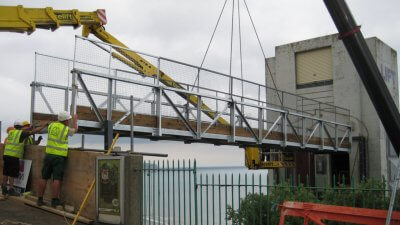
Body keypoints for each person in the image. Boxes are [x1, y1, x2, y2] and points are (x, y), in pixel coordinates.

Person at [37, 111, 78, 208]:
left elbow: (48, 124)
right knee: (57, 179)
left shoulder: (51, 126)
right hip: (59, 157)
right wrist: (75, 121)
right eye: (68, 119)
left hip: (48, 155)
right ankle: (54, 201)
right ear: (65, 121)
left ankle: (39, 199)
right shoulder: (65, 129)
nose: (69, 121)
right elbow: (75, 130)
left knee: (44, 177)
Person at [2, 121, 47, 196]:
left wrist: (31, 127)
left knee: (6, 172)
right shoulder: (21, 134)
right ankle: (11, 189)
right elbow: (33, 132)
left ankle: (4, 188)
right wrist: (43, 127)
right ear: (21, 127)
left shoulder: (11, 132)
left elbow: (28, 130)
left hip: (6, 154)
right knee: (11, 174)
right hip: (14, 155)